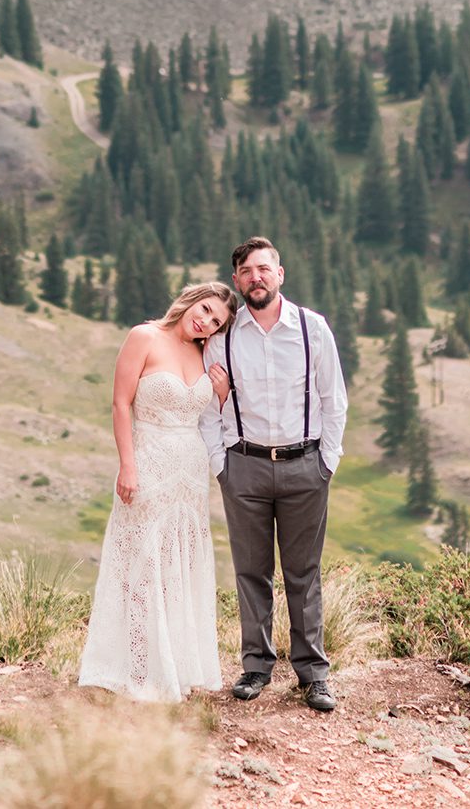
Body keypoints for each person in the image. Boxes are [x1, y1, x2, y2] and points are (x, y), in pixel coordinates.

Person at [199, 236, 348, 714]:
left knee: (303, 572)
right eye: (246, 271)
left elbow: (333, 399)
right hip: (243, 466)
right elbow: (208, 408)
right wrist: (220, 463)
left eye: (264, 269)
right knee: (251, 571)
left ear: (279, 274)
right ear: (238, 280)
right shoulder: (221, 336)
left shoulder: (311, 328)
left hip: (305, 465)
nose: (256, 278)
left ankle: (314, 674)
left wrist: (326, 461)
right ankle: (256, 666)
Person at [78, 279, 239, 701]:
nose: (205, 321)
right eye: (204, 310)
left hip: (189, 472)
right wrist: (127, 465)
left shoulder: (205, 354)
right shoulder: (144, 336)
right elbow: (120, 404)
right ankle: (135, 665)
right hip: (148, 464)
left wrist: (220, 396)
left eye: (215, 321)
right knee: (141, 562)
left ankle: (176, 664)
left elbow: (209, 419)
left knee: (178, 565)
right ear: (190, 301)